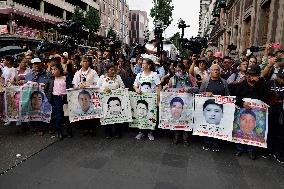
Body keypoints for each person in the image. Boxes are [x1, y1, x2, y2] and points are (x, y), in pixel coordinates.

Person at [231, 64, 269, 160]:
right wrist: (242, 103)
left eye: (254, 75)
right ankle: (239, 148)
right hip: (241, 112)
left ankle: (251, 150)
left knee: (253, 130)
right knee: (239, 129)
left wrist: (256, 84)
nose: (251, 77)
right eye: (249, 74)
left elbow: (265, 98)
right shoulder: (241, 85)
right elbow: (234, 98)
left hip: (255, 114)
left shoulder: (263, 85)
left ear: (258, 75)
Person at [199, 64, 230, 152]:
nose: (215, 71)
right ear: (210, 71)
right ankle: (207, 142)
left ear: (220, 72)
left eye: (217, 70)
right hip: (208, 107)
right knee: (208, 124)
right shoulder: (205, 81)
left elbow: (227, 95)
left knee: (217, 125)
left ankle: (215, 143)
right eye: (214, 70)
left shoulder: (224, 82)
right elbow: (200, 93)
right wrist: (206, 94)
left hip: (219, 108)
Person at [167, 63, 198, 146]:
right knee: (176, 120)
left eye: (180, 70)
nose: (178, 72)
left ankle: (185, 139)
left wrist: (190, 89)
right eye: (177, 70)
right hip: (176, 103)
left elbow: (197, 88)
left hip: (187, 103)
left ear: (184, 70)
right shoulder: (173, 78)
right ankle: (176, 138)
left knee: (186, 120)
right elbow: (168, 88)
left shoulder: (189, 77)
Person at [133, 57, 162, 140]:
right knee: (141, 114)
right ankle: (141, 132)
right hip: (141, 99)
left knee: (151, 115)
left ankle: (151, 132)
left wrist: (158, 98)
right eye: (142, 63)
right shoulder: (139, 75)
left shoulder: (154, 75)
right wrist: (137, 89)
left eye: (144, 63)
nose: (142, 65)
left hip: (152, 99)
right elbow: (135, 85)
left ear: (149, 65)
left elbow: (159, 86)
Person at [97, 64, 125, 139]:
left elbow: (123, 87)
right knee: (107, 114)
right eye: (111, 70)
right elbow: (97, 87)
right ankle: (108, 132)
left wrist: (115, 91)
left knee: (117, 115)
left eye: (114, 70)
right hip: (105, 101)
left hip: (116, 100)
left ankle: (117, 132)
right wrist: (104, 90)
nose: (113, 71)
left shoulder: (118, 77)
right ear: (107, 70)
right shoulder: (102, 77)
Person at [47, 62, 73, 139]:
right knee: (58, 116)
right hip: (56, 98)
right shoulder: (51, 79)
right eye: (52, 69)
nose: (53, 71)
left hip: (65, 98)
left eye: (55, 69)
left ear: (60, 69)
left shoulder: (65, 77)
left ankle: (69, 131)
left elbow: (70, 86)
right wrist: (49, 96)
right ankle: (59, 132)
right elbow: (46, 88)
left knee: (66, 115)